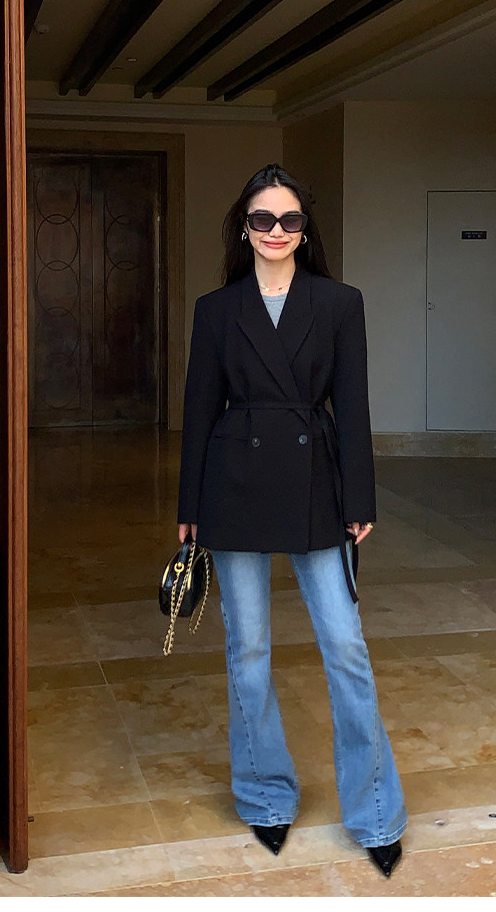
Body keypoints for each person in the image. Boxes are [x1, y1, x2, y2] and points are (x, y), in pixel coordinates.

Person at [177, 163, 407, 877]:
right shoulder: (217, 310)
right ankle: (266, 798)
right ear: (243, 228)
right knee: (246, 650)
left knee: (345, 646)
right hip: (234, 485)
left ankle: (375, 813)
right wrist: (188, 507)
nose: (275, 231)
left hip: (316, 485)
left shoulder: (339, 303)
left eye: (290, 220)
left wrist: (360, 498)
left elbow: (353, 404)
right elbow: (198, 410)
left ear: (305, 231)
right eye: (262, 219)